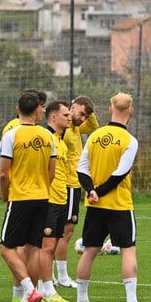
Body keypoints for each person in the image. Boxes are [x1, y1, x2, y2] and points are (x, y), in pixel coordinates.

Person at [75, 93, 146, 302]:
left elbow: (81, 168)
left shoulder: (95, 135)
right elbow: (120, 173)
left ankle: (81, 301)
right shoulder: (129, 140)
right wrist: (99, 191)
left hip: (95, 205)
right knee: (128, 250)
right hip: (119, 204)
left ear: (110, 110)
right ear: (131, 111)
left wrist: (91, 190)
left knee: (89, 250)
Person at [0, 90, 56, 302]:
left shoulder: (12, 135)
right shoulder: (47, 136)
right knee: (33, 248)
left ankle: (31, 291)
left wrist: (6, 196)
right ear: (37, 110)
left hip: (20, 197)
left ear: (17, 110)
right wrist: (42, 187)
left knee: (7, 248)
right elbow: (51, 172)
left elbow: (3, 173)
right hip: (42, 197)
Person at [55, 96, 98, 288]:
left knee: (65, 231)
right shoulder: (63, 129)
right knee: (64, 231)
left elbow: (94, 126)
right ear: (71, 108)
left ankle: (54, 276)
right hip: (66, 184)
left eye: (85, 115)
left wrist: (86, 110)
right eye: (81, 113)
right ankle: (60, 277)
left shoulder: (76, 127)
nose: (83, 118)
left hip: (74, 184)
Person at [35, 100, 72, 302]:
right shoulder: (46, 138)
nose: (69, 118)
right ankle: (46, 289)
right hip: (48, 200)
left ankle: (45, 288)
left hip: (61, 199)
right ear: (54, 117)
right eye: (66, 115)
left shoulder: (61, 140)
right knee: (46, 246)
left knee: (54, 244)